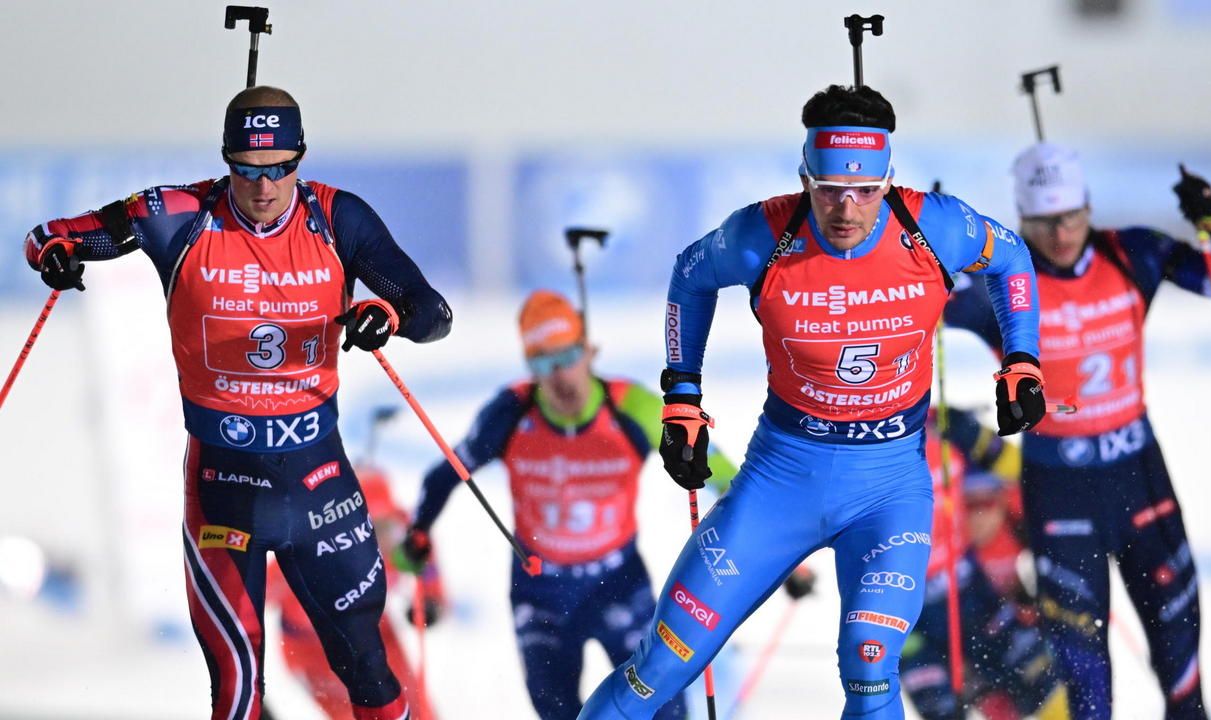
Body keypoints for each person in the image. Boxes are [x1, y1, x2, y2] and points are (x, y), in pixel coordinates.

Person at [579, 84, 1047, 719]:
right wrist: (681, 395)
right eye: (828, 190)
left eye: (865, 191)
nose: (846, 209)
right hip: (781, 483)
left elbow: (1011, 256)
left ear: (888, 180)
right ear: (805, 179)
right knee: (661, 663)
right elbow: (691, 273)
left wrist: (1022, 360)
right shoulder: (764, 234)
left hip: (888, 490)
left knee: (870, 664)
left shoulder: (932, 226)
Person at [23, 85, 452, 720]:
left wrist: (385, 315)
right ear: (227, 160)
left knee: (367, 668)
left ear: (300, 157)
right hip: (223, 487)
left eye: (279, 168)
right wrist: (56, 255)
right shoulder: (179, 214)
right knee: (237, 684)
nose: (264, 186)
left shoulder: (338, 217)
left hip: (319, 482)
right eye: (247, 170)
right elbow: (49, 236)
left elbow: (434, 313)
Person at [944, 141, 1211, 719]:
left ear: (1089, 207)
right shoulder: (1002, 279)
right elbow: (912, 302)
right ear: (1022, 218)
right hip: (1059, 488)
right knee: (1087, 690)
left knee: (1181, 666)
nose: (1061, 232)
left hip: (1138, 475)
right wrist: (931, 245)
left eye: (1071, 216)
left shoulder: (1132, 253)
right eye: (1044, 221)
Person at [399, 289, 738, 719]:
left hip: (618, 580)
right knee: (556, 710)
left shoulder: (631, 405)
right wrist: (418, 532)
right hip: (541, 592)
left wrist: (768, 547)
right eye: (543, 363)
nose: (560, 375)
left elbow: (722, 475)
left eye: (567, 356)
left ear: (589, 351)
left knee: (665, 707)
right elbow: (444, 474)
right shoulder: (511, 412)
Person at [901, 408, 1067, 720]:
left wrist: (974, 434)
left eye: (987, 503)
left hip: (973, 598)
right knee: (946, 711)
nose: (981, 515)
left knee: (1047, 687)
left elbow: (1020, 470)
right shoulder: (865, 446)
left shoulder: (940, 428)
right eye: (973, 504)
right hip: (910, 616)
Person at [266, 465, 441, 719]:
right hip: (314, 651)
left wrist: (431, 598)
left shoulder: (401, 537)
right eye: (376, 527)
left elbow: (424, 554)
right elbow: (245, 600)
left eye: (389, 524)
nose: (386, 537)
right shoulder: (313, 555)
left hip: (373, 632)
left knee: (414, 704)